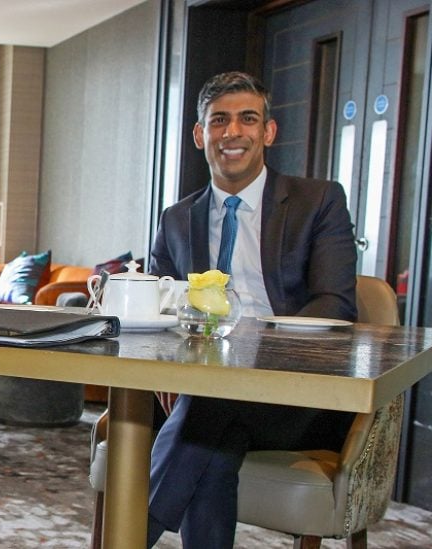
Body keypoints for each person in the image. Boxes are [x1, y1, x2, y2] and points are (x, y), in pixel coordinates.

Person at [147, 71, 357, 548]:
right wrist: (165, 369)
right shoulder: (177, 218)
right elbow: (161, 303)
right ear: (200, 135)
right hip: (205, 394)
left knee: (205, 414)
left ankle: (126, 535)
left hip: (295, 396)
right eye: (219, 120)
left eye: (247, 118)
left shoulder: (318, 201)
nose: (232, 132)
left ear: (268, 132)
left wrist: (246, 350)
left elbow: (335, 304)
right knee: (211, 446)